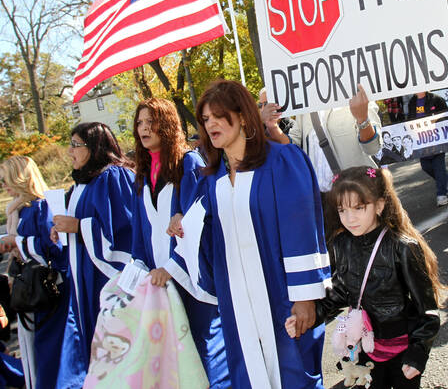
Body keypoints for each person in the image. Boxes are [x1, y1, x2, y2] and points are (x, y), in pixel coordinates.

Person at [171, 79, 330, 388]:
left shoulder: (282, 161)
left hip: (281, 295)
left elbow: (301, 226)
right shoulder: (212, 179)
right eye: (205, 119)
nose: (211, 123)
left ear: (242, 116)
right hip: (237, 301)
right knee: (247, 372)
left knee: (294, 373)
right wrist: (184, 224)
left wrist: (305, 297)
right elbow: (212, 239)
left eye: (218, 115)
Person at [285, 166, 441, 389]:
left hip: (402, 348)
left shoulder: (402, 247)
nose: (350, 218)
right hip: (365, 346)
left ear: (379, 205)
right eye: (342, 210)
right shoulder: (341, 244)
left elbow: (426, 309)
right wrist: (309, 317)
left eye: (359, 208)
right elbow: (339, 292)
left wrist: (418, 353)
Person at [129, 98, 230, 388]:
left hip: (190, 278)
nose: (144, 129)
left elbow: (199, 218)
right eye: (140, 123)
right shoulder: (144, 172)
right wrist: (139, 267)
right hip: (160, 280)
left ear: (168, 125)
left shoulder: (188, 162)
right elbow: (140, 230)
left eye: (152, 122)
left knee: (202, 350)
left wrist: (172, 267)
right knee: (175, 357)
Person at [51, 122, 135, 388]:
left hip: (107, 281)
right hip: (84, 279)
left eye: (76, 145)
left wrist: (78, 227)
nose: (70, 151)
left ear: (95, 146)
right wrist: (62, 231)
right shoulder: (82, 183)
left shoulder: (114, 177)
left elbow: (126, 229)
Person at [0, 156, 66, 389]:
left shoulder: (42, 207)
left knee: (48, 354)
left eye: (7, 179)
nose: (4, 185)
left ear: (20, 178)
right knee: (33, 353)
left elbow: (55, 250)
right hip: (28, 294)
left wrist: (17, 242)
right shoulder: (17, 209)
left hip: (47, 295)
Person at [267, 84, 382, 193]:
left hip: (359, 194)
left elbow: (372, 148)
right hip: (322, 201)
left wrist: (362, 119)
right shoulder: (305, 105)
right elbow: (292, 145)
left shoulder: (358, 95)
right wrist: (272, 127)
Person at [407, 91, 448, 206]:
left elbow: (445, 116)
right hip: (422, 142)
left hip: (437, 140)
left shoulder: (436, 99)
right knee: (426, 166)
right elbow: (409, 120)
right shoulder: (412, 102)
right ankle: (445, 178)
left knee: (438, 166)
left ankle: (441, 195)